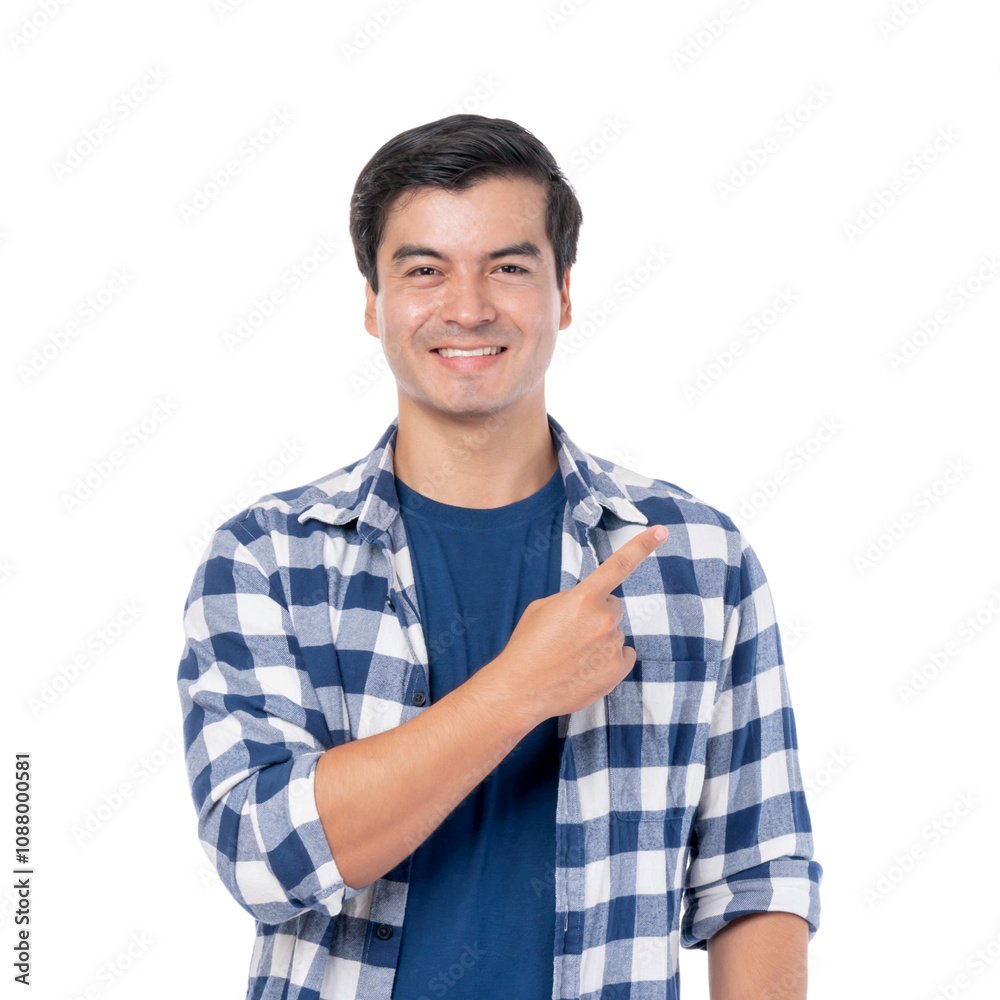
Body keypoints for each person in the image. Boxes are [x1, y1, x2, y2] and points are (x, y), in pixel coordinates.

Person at [177, 113, 821, 1000]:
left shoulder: (695, 557)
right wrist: (522, 688)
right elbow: (264, 857)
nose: (468, 306)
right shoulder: (268, 560)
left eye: (508, 267)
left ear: (562, 295)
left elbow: (757, 876)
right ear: (372, 303)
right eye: (424, 270)